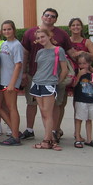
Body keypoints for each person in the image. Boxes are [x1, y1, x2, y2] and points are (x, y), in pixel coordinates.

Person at [20, 8, 76, 140]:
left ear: (56, 19)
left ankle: (53, 132)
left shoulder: (62, 35)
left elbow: (72, 53)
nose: (49, 17)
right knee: (31, 103)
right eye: (47, 15)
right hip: (34, 76)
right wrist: (23, 73)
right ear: (42, 16)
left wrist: (89, 64)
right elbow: (25, 54)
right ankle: (29, 130)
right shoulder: (30, 33)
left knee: (55, 106)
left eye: (52, 16)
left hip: (54, 79)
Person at [30, 28, 68, 151]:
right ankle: (50, 140)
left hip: (49, 84)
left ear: (49, 36)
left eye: (43, 37)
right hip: (37, 83)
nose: (41, 39)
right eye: (38, 38)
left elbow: (64, 70)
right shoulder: (40, 52)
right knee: (43, 112)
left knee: (48, 112)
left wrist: (56, 82)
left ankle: (47, 141)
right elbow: (40, 68)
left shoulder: (58, 50)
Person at [63, 17, 93, 138]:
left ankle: (77, 132)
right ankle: (57, 130)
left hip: (82, 75)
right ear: (69, 28)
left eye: (78, 25)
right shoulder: (67, 41)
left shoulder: (86, 42)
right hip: (69, 73)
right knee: (62, 103)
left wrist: (83, 53)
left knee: (78, 103)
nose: (76, 27)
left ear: (81, 27)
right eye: (73, 25)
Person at [0, 20, 24, 146]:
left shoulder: (16, 45)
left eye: (9, 29)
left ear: (14, 30)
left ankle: (15, 137)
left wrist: (12, 83)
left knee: (12, 107)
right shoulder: (4, 44)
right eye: (4, 29)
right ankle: (15, 130)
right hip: (2, 80)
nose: (7, 31)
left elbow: (18, 65)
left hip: (10, 81)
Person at [72, 53, 93, 149]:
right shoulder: (78, 73)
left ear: (89, 63)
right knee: (79, 119)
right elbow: (74, 85)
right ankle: (77, 138)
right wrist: (79, 75)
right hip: (80, 99)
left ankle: (89, 139)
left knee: (89, 120)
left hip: (91, 99)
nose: (82, 65)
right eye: (80, 63)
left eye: (84, 63)